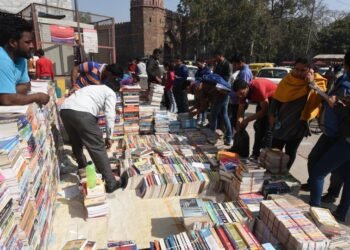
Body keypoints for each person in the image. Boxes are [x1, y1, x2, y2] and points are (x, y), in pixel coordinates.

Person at [60, 64, 126, 193]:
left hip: (65, 110)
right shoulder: (110, 93)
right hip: (83, 114)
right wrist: (109, 137)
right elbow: (109, 116)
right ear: (116, 90)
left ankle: (82, 167)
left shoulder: (92, 87)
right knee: (97, 147)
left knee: (76, 141)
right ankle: (111, 183)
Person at [308, 53, 350, 221]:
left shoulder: (345, 83)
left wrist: (336, 106)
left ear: (346, 65)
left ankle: (315, 213)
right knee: (348, 177)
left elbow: (345, 114)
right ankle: (341, 213)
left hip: (346, 140)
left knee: (318, 172)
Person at [268, 58, 327, 169]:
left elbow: (322, 98)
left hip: (299, 124)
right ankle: (271, 173)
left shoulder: (317, 81)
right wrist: (271, 116)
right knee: (275, 150)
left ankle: (285, 173)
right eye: (297, 69)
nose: (299, 73)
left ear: (310, 70)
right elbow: (276, 99)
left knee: (291, 151)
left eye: (303, 70)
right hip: (281, 122)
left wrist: (311, 83)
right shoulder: (288, 79)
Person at [0, 15, 49, 106]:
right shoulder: (2, 59)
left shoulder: (21, 59)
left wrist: (11, 93)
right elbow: (6, 100)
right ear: (12, 43)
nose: (32, 46)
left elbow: (27, 86)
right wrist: (37, 97)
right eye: (27, 42)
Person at [233, 78, 277, 159]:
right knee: (258, 127)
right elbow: (240, 110)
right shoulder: (242, 92)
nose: (240, 96)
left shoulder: (258, 89)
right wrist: (239, 121)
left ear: (247, 87)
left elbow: (265, 111)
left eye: (241, 93)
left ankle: (265, 156)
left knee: (268, 130)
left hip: (274, 100)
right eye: (238, 94)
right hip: (262, 101)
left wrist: (247, 120)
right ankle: (255, 154)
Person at [191, 74, 233, 145]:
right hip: (225, 91)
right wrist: (193, 109)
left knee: (213, 116)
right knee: (224, 115)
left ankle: (212, 137)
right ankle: (229, 138)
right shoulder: (199, 85)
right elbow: (201, 102)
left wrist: (196, 112)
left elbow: (204, 105)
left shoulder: (198, 88)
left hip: (220, 93)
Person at [229, 53, 254, 129]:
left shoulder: (244, 73)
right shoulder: (243, 70)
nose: (233, 67)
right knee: (235, 121)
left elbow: (242, 91)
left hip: (239, 102)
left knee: (237, 121)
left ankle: (238, 137)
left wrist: (230, 93)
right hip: (238, 101)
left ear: (240, 62)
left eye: (234, 65)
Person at [195, 58, 211, 125]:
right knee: (198, 104)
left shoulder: (207, 70)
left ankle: (204, 119)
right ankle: (199, 118)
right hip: (198, 90)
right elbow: (196, 77)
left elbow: (207, 78)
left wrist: (201, 80)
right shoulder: (199, 69)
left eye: (198, 64)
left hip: (204, 91)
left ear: (202, 62)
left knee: (204, 105)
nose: (198, 65)